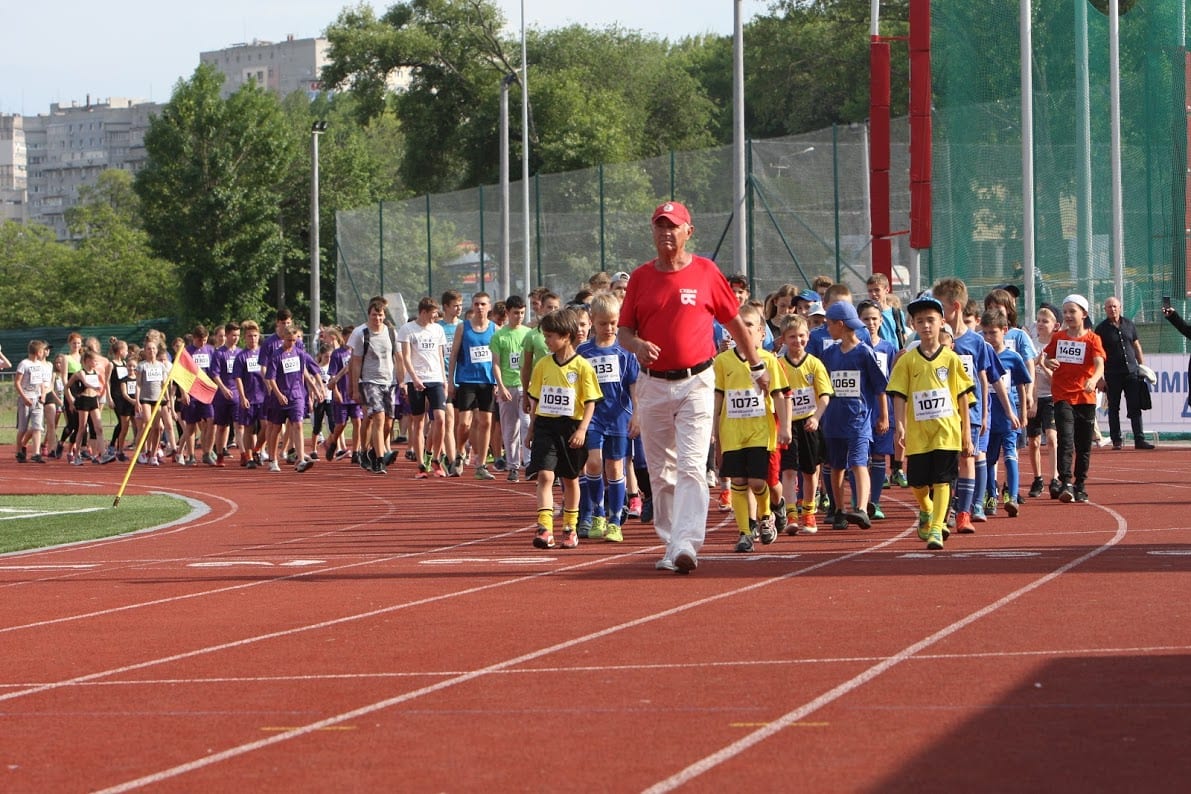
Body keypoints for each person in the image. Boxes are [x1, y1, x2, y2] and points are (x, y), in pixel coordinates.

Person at [618, 201, 770, 575]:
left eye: (673, 226)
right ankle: (672, 542)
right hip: (653, 385)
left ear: (689, 231)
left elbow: (733, 323)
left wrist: (756, 364)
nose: (666, 233)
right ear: (652, 232)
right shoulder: (640, 278)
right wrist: (637, 345)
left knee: (690, 466)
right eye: (660, 226)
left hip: (697, 381)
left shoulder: (705, 272)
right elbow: (623, 331)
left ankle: (687, 542)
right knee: (660, 471)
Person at [886, 296, 976, 550]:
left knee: (942, 480)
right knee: (917, 483)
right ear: (913, 324)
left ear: (942, 323)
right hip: (918, 433)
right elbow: (899, 394)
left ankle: (937, 528)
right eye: (920, 321)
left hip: (947, 430)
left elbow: (963, 399)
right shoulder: (907, 360)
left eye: (931, 320)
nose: (926, 326)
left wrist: (966, 433)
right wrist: (900, 425)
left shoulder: (951, 359)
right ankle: (926, 510)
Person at [712, 303, 790, 552]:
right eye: (739, 326)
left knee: (758, 482)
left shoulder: (768, 360)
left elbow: (780, 395)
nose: (744, 331)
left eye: (750, 326)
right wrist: (714, 433)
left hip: (760, 431)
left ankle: (766, 515)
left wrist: (785, 427)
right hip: (732, 431)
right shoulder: (723, 361)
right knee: (738, 480)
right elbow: (718, 398)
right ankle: (745, 532)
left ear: (761, 333)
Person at [526, 308, 603, 550]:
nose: (546, 341)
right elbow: (535, 400)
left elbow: (590, 401)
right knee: (545, 475)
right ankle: (544, 527)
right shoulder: (542, 365)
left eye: (550, 336)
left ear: (566, 336)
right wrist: (531, 429)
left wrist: (582, 430)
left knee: (570, 479)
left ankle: (570, 527)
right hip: (546, 425)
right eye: (545, 336)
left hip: (571, 427)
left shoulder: (582, 367)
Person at [819, 301, 888, 530]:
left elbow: (879, 387)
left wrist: (883, 416)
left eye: (829, 324)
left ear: (840, 324)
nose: (827, 328)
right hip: (833, 420)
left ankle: (860, 508)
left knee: (859, 462)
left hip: (859, 420)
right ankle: (839, 510)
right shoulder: (829, 354)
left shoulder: (864, 353)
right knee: (837, 467)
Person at [576, 294, 640, 543]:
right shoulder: (583, 351)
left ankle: (614, 521)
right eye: (603, 323)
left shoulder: (625, 351)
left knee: (615, 467)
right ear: (592, 321)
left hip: (619, 416)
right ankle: (598, 512)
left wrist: (637, 414)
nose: (609, 328)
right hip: (592, 417)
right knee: (593, 463)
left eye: (614, 322)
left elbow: (634, 385)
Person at [1040, 294, 1105, 503]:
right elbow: (1047, 356)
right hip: (1062, 395)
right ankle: (1066, 481)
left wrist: (1094, 379)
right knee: (1065, 440)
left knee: (1084, 444)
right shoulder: (1059, 338)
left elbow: (1099, 363)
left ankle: (1080, 485)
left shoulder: (1093, 339)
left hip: (1086, 397)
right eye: (1065, 311)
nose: (1067, 315)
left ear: (1084, 314)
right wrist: (1049, 363)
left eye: (1072, 311)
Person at [776, 313, 832, 535]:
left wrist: (816, 417)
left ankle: (808, 511)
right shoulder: (779, 365)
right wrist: (782, 423)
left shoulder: (815, 364)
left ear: (807, 337)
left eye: (801, 336)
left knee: (810, 471)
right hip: (787, 426)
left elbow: (825, 395)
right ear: (783, 339)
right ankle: (791, 513)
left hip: (809, 424)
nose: (797, 341)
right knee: (788, 471)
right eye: (792, 337)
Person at [980, 309, 1032, 516]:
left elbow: (1020, 384)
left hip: (1008, 416)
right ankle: (990, 495)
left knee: (1011, 455)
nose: (989, 338)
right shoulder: (982, 355)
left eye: (993, 333)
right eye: (985, 333)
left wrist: (1023, 413)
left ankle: (1011, 495)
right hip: (989, 418)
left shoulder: (1013, 357)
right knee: (988, 460)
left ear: (1005, 331)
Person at [448, 291, 498, 480]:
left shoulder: (494, 329)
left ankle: (481, 464)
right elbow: (453, 355)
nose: (479, 307)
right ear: (472, 306)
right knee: (464, 423)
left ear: (489, 307)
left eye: (483, 304)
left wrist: (498, 382)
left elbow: (497, 358)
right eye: (476, 304)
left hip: (487, 381)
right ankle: (460, 452)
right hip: (467, 381)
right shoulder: (463, 328)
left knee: (485, 423)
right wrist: (450, 381)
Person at [398, 297, 450, 479]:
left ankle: (436, 458)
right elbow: (405, 357)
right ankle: (421, 465)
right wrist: (413, 379)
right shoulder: (407, 329)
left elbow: (440, 355)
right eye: (432, 314)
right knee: (418, 422)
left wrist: (444, 380)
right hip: (416, 380)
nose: (434, 317)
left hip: (435, 377)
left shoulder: (438, 329)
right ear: (423, 312)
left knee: (440, 419)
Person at [349, 296, 400, 475]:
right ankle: (379, 460)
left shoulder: (392, 333)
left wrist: (403, 381)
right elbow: (355, 362)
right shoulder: (362, 334)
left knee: (388, 423)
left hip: (389, 381)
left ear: (384, 315)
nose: (376, 318)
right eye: (373, 315)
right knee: (378, 418)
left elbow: (398, 358)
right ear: (368, 315)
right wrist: (355, 387)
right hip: (370, 381)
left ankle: (371, 450)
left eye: (380, 315)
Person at [1095, 296, 1155, 450]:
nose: (1112, 309)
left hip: (1131, 373)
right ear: (1105, 309)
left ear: (1120, 307)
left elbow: (1136, 346)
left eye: (1114, 306)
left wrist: (1142, 367)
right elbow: (1096, 354)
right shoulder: (1101, 329)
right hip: (1112, 374)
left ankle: (1139, 440)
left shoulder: (1129, 324)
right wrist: (1099, 377)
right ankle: (1117, 440)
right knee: (1113, 408)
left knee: (1135, 406)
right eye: (1108, 307)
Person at [264, 325, 323, 473]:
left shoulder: (300, 354)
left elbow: (304, 373)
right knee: (276, 428)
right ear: (283, 338)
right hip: (280, 397)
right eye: (289, 340)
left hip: (296, 396)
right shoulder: (276, 356)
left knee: (298, 425)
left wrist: (315, 389)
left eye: (294, 340)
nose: (291, 343)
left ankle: (300, 459)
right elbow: (270, 379)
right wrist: (278, 394)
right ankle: (273, 459)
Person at [490, 295, 533, 482]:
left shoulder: (528, 333)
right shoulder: (499, 335)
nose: (519, 316)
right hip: (507, 386)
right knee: (510, 428)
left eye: (522, 313)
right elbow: (496, 363)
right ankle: (513, 465)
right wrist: (500, 386)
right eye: (516, 313)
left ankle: (530, 462)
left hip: (525, 386)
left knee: (526, 424)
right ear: (507, 313)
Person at [1026, 304, 1060, 498]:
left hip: (1051, 398)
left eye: (1045, 321)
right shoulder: (1031, 344)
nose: (1040, 324)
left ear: (1055, 325)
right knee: (1034, 442)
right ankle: (1037, 478)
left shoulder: (1057, 345)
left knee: (1052, 438)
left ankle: (1054, 478)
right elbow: (1030, 375)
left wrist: (1044, 365)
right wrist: (1032, 400)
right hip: (1035, 398)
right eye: (1038, 320)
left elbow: (1057, 378)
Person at [232, 321, 267, 468]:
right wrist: (242, 396)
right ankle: (249, 457)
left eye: (255, 336)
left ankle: (257, 449)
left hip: (264, 397)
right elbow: (238, 378)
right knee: (248, 428)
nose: (252, 339)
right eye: (249, 336)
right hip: (249, 397)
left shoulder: (263, 354)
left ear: (259, 337)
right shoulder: (241, 356)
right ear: (245, 338)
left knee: (266, 426)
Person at [15, 339, 52, 464]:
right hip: (26, 399)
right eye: (42, 350)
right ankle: (19, 451)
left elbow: (41, 382)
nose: (44, 353)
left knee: (38, 427)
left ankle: (36, 453)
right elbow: (17, 383)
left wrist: (43, 396)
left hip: (37, 399)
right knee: (23, 428)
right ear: (37, 352)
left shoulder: (40, 365)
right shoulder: (24, 364)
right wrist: (24, 397)